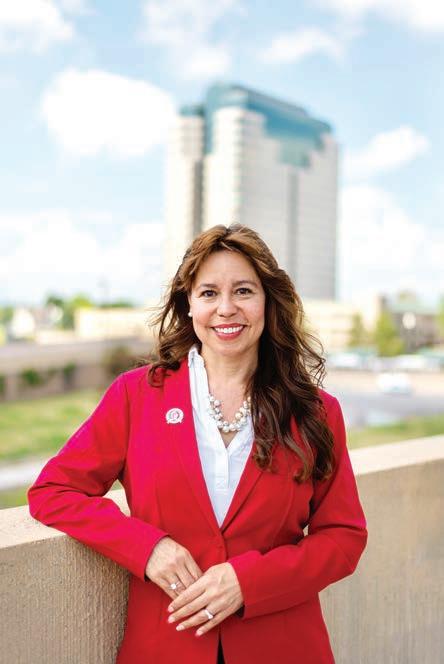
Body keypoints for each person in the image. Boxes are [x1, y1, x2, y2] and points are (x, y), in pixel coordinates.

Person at [28, 224, 368, 664]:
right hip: (164, 647)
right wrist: (147, 547)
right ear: (188, 304)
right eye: (209, 293)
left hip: (284, 648)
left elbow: (343, 538)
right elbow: (53, 491)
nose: (226, 308)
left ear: (267, 301)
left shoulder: (317, 412)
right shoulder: (136, 396)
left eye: (243, 291)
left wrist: (249, 582)